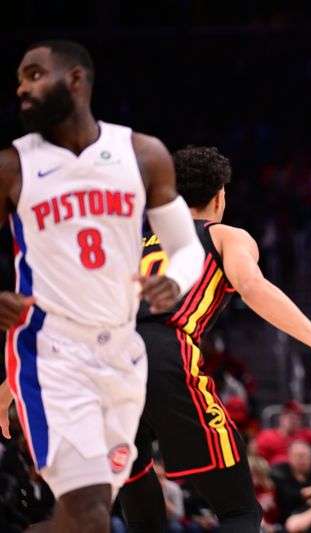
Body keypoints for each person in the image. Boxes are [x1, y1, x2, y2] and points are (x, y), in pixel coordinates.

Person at [117, 145, 311, 532]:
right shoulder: (224, 235)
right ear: (221, 196)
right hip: (164, 349)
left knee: (140, 506)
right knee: (239, 510)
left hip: (108, 360)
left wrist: (13, 379)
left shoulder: (136, 242)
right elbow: (252, 286)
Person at [0, 40, 206, 533]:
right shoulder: (13, 165)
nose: (21, 88)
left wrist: (174, 282)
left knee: (78, 518)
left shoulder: (142, 154)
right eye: (19, 80)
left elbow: (186, 247)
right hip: (51, 353)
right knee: (92, 512)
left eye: (33, 75)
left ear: (75, 80)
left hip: (121, 353)